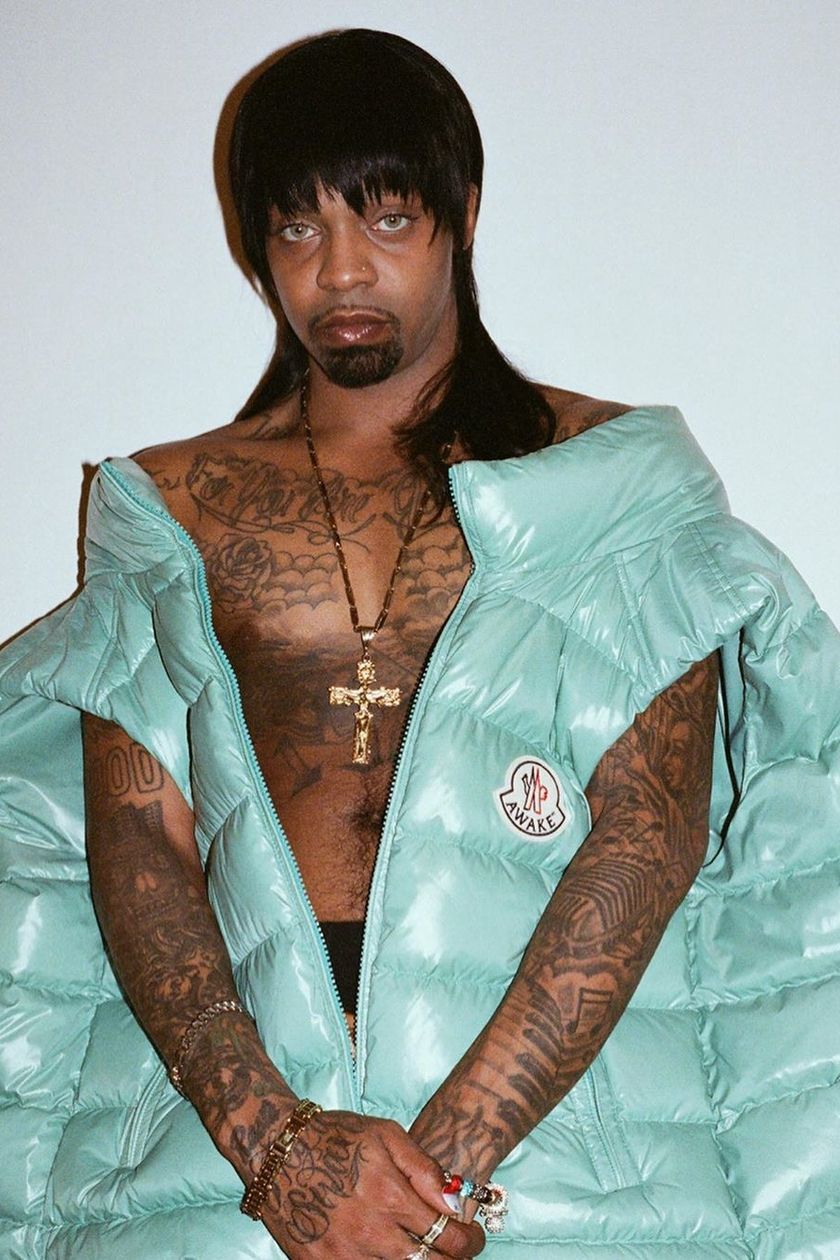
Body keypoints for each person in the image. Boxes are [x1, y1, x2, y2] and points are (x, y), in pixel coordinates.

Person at [1, 27, 838, 1260]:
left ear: (464, 213)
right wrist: (279, 1151)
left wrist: (429, 1183)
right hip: (231, 1168)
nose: (340, 271)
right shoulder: (172, 507)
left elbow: (651, 829)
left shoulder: (610, 483)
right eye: (298, 229)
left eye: (387, 219)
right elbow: (140, 846)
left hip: (562, 1162)